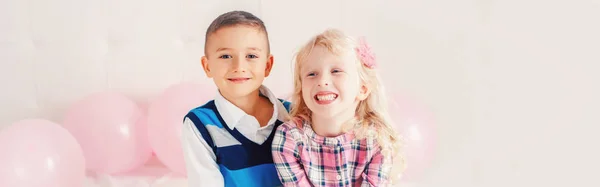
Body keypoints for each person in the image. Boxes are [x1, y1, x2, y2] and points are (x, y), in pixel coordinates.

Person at [272, 28, 400, 186]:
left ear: (362, 89)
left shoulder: (378, 140)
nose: (322, 81)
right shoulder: (288, 138)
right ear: (301, 88)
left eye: (336, 71)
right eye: (312, 74)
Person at [181, 10, 291, 187]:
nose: (239, 67)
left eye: (251, 56)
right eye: (225, 56)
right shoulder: (200, 124)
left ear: (267, 65)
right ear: (207, 66)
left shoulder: (294, 115)